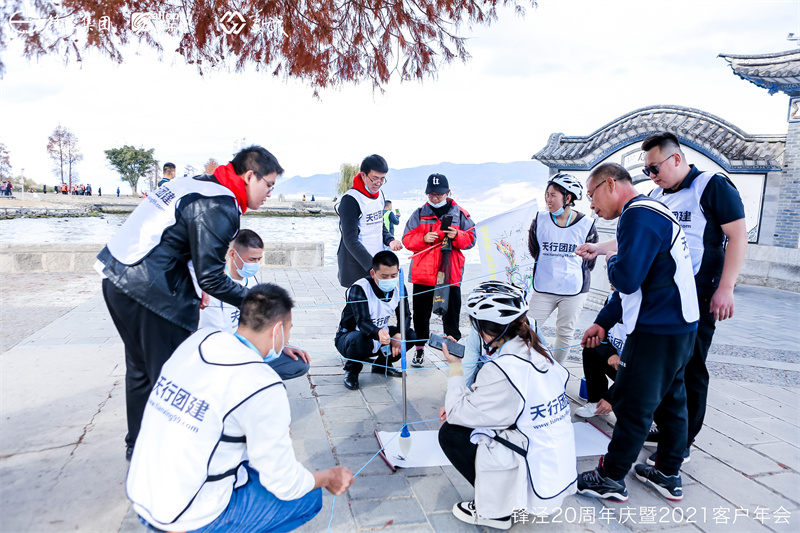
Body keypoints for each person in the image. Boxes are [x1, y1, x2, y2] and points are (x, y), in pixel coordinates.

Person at [96, 145, 282, 460]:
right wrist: (260, 302)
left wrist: (199, 279)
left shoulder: (198, 184)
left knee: (140, 371)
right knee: (172, 379)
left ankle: (138, 448)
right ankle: (171, 458)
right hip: (149, 290)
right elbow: (212, 278)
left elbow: (182, 240)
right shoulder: (221, 203)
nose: (269, 194)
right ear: (250, 175)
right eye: (269, 185)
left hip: (117, 277)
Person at [127, 283, 354, 532]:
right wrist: (327, 477)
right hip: (187, 516)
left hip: (141, 493)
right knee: (307, 497)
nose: (287, 339)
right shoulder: (263, 383)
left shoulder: (198, 340)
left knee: (249, 457)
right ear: (277, 330)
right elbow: (285, 483)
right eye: (288, 330)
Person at [575, 162, 698, 502]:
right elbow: (637, 285)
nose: (591, 206)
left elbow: (626, 279)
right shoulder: (653, 211)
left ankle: (610, 477)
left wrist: (610, 259)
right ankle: (668, 472)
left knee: (632, 405)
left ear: (610, 184)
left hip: (655, 329)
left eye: (591, 195)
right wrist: (603, 322)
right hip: (680, 326)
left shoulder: (637, 215)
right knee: (672, 402)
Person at [641, 132, 747, 464]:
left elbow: (738, 237)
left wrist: (726, 288)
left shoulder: (712, 186)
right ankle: (669, 427)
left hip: (701, 294)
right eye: (646, 170)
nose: (651, 175)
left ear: (676, 158)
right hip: (665, 295)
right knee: (667, 366)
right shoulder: (657, 195)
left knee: (691, 366)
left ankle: (683, 440)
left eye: (655, 168)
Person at [438, 281, 576, 529]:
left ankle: (496, 511)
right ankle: (504, 494)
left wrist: (455, 367)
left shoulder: (502, 369)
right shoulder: (537, 349)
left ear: (485, 330)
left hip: (535, 471)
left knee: (452, 433)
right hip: (558, 468)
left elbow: (458, 412)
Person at [198, 229, 310, 380]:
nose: (255, 264)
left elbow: (262, 320)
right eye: (251, 260)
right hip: (225, 354)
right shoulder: (215, 288)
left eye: (259, 259)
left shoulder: (251, 280)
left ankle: (251, 378)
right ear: (233, 254)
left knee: (298, 363)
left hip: (252, 349)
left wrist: (282, 344)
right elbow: (212, 337)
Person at [402, 173, 475, 367]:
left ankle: (452, 351)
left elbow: (472, 239)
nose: (435, 198)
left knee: (451, 314)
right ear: (426, 193)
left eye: (439, 194)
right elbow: (406, 239)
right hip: (423, 274)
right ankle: (419, 350)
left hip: (450, 273)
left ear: (448, 192)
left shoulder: (461, 214)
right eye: (431, 194)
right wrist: (423, 239)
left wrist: (457, 235)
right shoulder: (419, 214)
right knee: (420, 315)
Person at [527, 173, 598, 364]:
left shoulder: (586, 224)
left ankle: (556, 370)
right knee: (527, 329)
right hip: (544, 287)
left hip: (573, 289)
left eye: (553, 195)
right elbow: (535, 249)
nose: (548, 199)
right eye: (547, 194)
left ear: (568, 198)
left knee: (565, 332)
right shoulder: (540, 220)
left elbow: (590, 260)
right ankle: (528, 366)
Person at [335, 251, 413, 390]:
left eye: (393, 275)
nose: (389, 280)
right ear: (373, 273)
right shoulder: (360, 288)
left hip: (381, 333)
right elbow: (362, 322)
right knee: (361, 339)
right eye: (384, 276)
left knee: (410, 335)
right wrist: (378, 333)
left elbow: (405, 315)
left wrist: (399, 334)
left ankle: (382, 365)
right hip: (351, 336)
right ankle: (352, 371)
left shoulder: (399, 287)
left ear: (398, 272)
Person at [335, 154, 403, 288]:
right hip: (358, 265)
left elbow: (379, 224)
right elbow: (350, 240)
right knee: (360, 300)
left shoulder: (380, 195)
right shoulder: (351, 200)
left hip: (377, 260)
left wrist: (390, 240)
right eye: (374, 178)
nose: (378, 183)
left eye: (382, 179)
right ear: (363, 175)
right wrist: (372, 267)